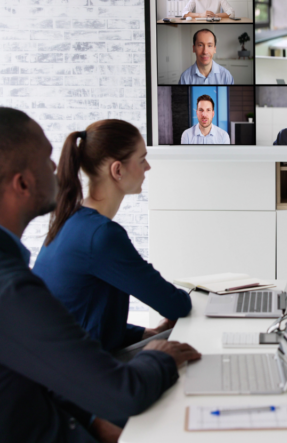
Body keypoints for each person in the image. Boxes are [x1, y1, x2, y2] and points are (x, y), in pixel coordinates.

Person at [0, 107, 201, 443]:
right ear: (23, 183)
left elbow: (31, 361)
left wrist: (89, 417)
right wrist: (161, 356)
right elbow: (123, 394)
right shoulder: (4, 289)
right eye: (46, 159)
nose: (57, 167)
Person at [33, 119, 192, 356]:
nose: (147, 167)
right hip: (82, 377)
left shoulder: (69, 220)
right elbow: (176, 305)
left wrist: (142, 334)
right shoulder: (101, 236)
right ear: (117, 170)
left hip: (61, 367)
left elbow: (78, 317)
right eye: (141, 159)